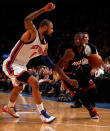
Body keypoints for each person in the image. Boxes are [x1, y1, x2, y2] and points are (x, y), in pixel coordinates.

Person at [2, 2, 56, 123]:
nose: (53, 30)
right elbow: (27, 19)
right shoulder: (32, 33)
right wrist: (43, 9)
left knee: (18, 88)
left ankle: (9, 107)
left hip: (22, 66)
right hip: (11, 64)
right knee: (34, 82)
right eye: (51, 28)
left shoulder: (44, 44)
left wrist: (55, 68)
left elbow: (45, 58)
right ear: (44, 27)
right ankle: (43, 114)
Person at [55, 32, 99, 119]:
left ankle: (88, 104)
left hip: (78, 72)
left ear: (84, 40)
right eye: (75, 39)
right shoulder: (70, 52)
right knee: (81, 95)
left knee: (94, 90)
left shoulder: (87, 49)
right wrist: (69, 80)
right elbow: (57, 67)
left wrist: (95, 65)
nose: (77, 40)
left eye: (79, 39)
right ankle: (92, 111)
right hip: (68, 76)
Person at [71, 32, 99, 108]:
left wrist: (93, 69)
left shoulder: (92, 47)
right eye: (83, 37)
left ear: (88, 38)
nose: (85, 38)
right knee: (78, 86)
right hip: (81, 68)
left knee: (92, 87)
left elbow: (97, 59)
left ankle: (92, 104)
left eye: (86, 37)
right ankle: (78, 103)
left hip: (90, 68)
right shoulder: (78, 47)